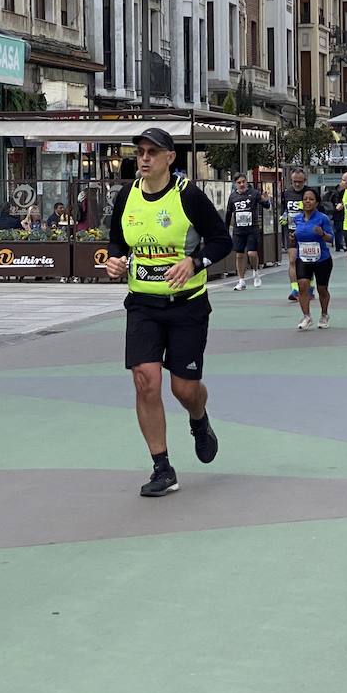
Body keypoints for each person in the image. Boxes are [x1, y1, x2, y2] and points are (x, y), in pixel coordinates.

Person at [103, 127, 232, 498]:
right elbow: (116, 239)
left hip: (187, 306)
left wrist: (194, 262)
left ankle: (199, 419)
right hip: (142, 303)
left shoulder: (188, 195)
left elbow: (222, 240)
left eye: (152, 153)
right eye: (140, 152)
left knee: (184, 389)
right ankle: (162, 466)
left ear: (170, 158)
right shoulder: (126, 195)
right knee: (145, 381)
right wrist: (115, 260)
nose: (144, 158)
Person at [291, 187, 335, 330]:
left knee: (322, 289)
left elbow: (331, 239)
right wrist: (292, 237)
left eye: (311, 199)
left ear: (316, 202)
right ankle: (306, 316)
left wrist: (322, 233)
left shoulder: (322, 218)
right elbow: (294, 237)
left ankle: (324, 314)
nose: (307, 201)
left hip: (321, 259)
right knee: (302, 286)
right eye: (305, 199)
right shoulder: (297, 218)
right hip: (303, 257)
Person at [225, 173, 270, 289]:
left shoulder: (254, 193)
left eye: (244, 182)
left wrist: (266, 200)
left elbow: (266, 205)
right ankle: (241, 281)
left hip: (252, 228)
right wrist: (225, 229)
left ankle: (256, 273)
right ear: (235, 184)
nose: (242, 184)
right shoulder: (232, 197)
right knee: (239, 255)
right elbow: (229, 213)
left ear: (247, 182)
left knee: (251, 253)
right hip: (238, 230)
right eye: (239, 182)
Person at [279, 167, 313, 302]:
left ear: (305, 180)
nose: (297, 184)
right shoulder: (286, 194)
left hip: (308, 233)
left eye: (300, 181)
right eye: (294, 182)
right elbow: (284, 209)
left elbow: (318, 211)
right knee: (292, 260)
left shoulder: (310, 193)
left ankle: (309, 288)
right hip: (292, 232)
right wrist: (283, 216)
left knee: (307, 262)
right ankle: (295, 289)